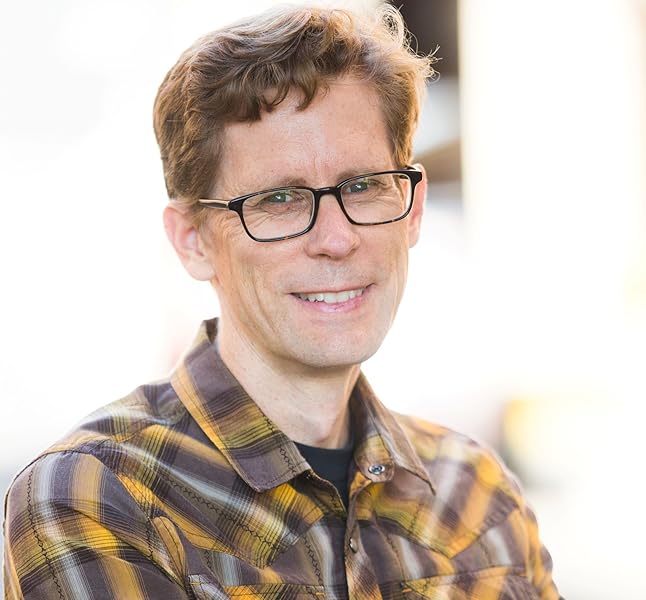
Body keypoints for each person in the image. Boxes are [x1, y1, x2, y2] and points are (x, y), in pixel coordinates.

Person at [3, 4, 561, 599]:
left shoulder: (479, 499)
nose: (337, 239)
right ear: (192, 242)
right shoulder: (100, 497)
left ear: (413, 210)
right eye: (280, 200)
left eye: (363, 186)